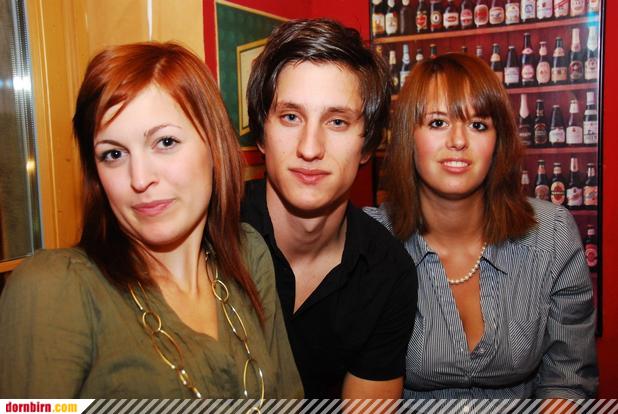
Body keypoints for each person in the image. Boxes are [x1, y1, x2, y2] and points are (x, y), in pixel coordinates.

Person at [0, 42, 303, 402]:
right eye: (113, 154)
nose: (140, 178)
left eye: (165, 142)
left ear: (215, 147)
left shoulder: (248, 254)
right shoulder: (55, 289)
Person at [365, 53, 598, 400]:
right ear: (407, 136)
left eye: (478, 125)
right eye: (438, 122)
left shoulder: (551, 233)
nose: (458, 141)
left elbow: (567, 380)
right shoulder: (370, 240)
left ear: (497, 141)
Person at [242, 18, 418, 398]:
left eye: (337, 121)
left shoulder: (387, 272)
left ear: (367, 145)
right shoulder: (207, 232)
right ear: (261, 133)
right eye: (291, 117)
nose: (310, 148)